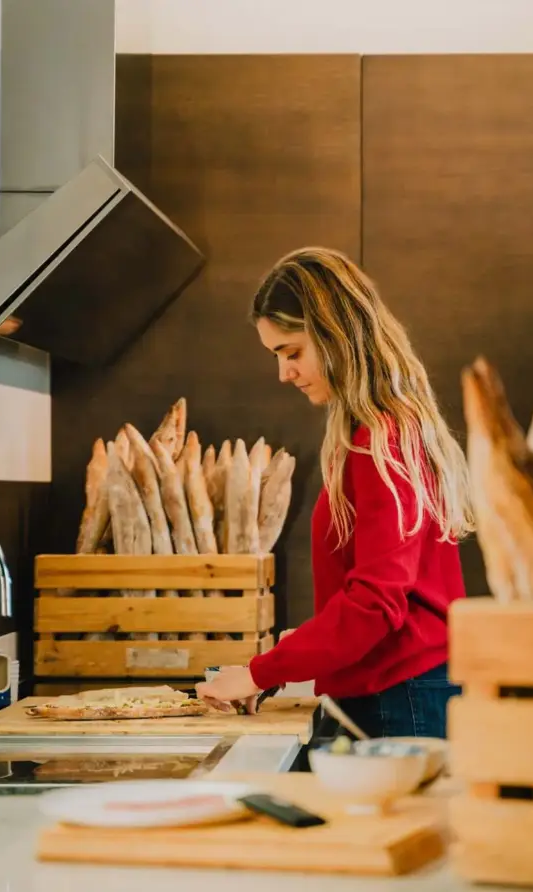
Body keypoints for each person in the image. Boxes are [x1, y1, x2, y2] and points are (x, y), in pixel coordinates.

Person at [197, 247, 474, 738]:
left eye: (292, 353)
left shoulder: (382, 441)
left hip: (403, 698)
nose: (284, 373)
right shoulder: (380, 432)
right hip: (405, 690)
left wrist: (260, 672)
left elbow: (375, 605)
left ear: (335, 335)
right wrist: (294, 652)